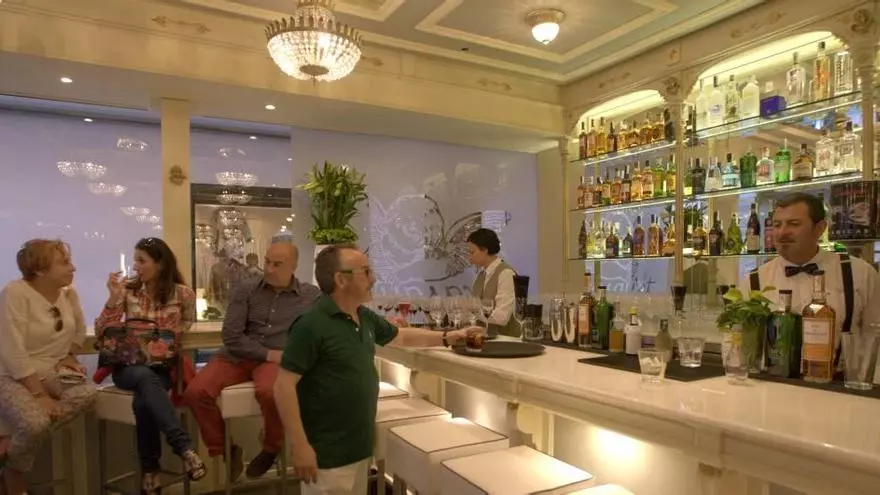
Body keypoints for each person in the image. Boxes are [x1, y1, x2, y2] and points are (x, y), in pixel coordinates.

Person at [274, 244, 472, 495]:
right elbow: (283, 387)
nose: (373, 278)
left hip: (360, 448)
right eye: (365, 272)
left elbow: (401, 336)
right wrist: (300, 445)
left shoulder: (363, 316)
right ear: (341, 280)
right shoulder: (311, 325)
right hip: (327, 455)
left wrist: (447, 337)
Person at [183, 242, 320, 480]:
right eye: (267, 262)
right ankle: (227, 450)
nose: (269, 269)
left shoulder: (310, 296)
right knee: (196, 392)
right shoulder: (246, 289)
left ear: (294, 266)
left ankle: (271, 448)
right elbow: (231, 336)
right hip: (238, 356)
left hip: (275, 360)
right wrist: (268, 353)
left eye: (277, 264)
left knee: (271, 392)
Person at [94, 237, 206, 494]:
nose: (136, 266)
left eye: (141, 261)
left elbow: (186, 324)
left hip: (161, 367)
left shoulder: (183, 294)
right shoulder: (128, 290)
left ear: (161, 264)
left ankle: (150, 471)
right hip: (127, 367)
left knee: (143, 401)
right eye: (135, 260)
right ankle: (184, 447)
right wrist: (113, 299)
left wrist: (166, 339)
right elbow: (102, 330)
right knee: (144, 378)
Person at [0, 240, 96, 495]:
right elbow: (12, 350)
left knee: (87, 393)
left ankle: (10, 451)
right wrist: (40, 395)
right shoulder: (15, 293)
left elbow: (78, 331)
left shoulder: (69, 293)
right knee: (35, 423)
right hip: (11, 373)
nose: (72, 268)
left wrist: (70, 355)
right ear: (40, 270)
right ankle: (14, 471)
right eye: (64, 263)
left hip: (53, 369)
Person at [738, 192, 880, 337]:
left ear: (820, 228)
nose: (782, 233)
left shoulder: (859, 272)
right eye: (777, 225)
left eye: (794, 224)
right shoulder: (754, 280)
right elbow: (738, 340)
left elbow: (875, 338)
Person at [466, 228, 520, 337]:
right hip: (484, 337)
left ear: (485, 250)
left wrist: (473, 313)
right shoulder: (480, 276)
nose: (469, 257)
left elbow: (502, 317)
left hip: (506, 340)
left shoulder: (506, 274)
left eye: (472, 252)